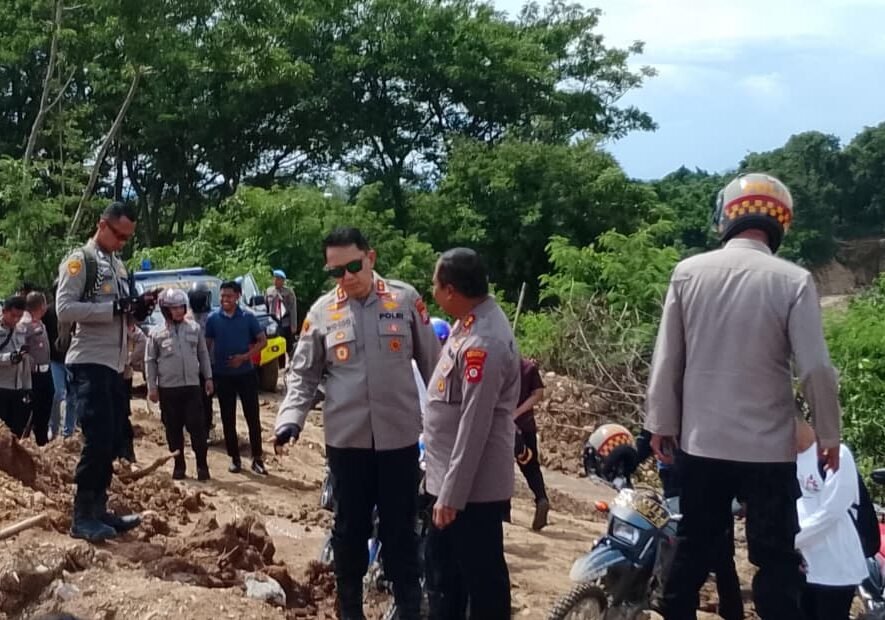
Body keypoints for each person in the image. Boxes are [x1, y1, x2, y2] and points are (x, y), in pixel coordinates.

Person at [644, 173, 842, 620]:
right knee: (775, 561)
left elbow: (668, 359)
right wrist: (829, 434)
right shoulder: (794, 280)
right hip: (768, 452)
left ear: (726, 217)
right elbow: (815, 369)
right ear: (779, 224)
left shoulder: (687, 273)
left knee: (693, 549)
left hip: (702, 443)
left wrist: (660, 424)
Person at [274, 227, 440, 620]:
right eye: (336, 272)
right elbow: (303, 376)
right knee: (349, 531)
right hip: (347, 444)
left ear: (371, 257)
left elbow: (435, 367)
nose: (346, 278)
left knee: (401, 532)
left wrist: (443, 429)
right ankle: (350, 610)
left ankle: (408, 608)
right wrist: (290, 420)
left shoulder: (404, 301)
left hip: (399, 442)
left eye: (352, 266)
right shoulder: (320, 313)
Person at [422, 248, 520, 620]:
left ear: (450, 290)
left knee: (481, 582)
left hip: (469, 492)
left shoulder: (484, 342)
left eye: (434, 283)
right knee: (446, 574)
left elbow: (474, 424)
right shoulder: (469, 324)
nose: (432, 290)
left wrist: (451, 495)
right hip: (454, 483)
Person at [56, 201, 158, 542]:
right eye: (119, 235)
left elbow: (122, 313)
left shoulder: (117, 264)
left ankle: (99, 509)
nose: (122, 243)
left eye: (128, 238)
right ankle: (82, 515)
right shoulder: (80, 261)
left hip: (116, 363)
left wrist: (137, 309)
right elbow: (64, 308)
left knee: (113, 438)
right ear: (102, 225)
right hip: (89, 360)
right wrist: (113, 307)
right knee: (97, 439)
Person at [794, 417, 867, 620]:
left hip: (836, 567)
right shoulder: (790, 460)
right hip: (804, 566)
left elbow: (832, 510)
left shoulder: (836, 454)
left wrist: (791, 539)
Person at [145, 289, 214, 481]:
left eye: (181, 307)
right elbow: (150, 361)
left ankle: (202, 465)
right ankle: (179, 465)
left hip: (192, 387)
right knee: (173, 430)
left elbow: (203, 354)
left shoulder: (194, 328)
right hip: (168, 389)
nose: (178, 311)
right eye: (174, 308)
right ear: (166, 310)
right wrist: (152, 387)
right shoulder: (155, 334)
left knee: (197, 428)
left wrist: (208, 378)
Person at [205, 280, 267, 475]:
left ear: (238, 296)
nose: (225, 300)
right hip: (223, 376)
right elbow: (206, 346)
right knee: (228, 418)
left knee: (253, 418)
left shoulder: (248, 317)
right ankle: (234, 458)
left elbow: (262, 341)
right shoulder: (213, 319)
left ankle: (257, 458)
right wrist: (207, 372)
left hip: (246, 374)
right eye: (222, 296)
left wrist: (244, 357)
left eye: (229, 296)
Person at [513, 356, 549, 531]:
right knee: (531, 466)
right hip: (526, 425)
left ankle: (503, 512)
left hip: (502, 428)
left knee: (500, 469)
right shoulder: (528, 366)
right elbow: (538, 393)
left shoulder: (498, 365)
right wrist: (519, 412)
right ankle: (541, 498)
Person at [19, 292, 54, 445]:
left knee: (45, 409)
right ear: (41, 306)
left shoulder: (39, 323)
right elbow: (20, 347)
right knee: (30, 412)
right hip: (33, 375)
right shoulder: (24, 324)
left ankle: (42, 439)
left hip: (46, 372)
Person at [188, 281, 216, 439]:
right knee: (194, 402)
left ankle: (205, 431)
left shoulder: (212, 318)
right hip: (192, 367)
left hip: (210, 365)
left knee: (206, 401)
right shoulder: (186, 318)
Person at [0, 296, 31, 438]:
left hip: (17, 388)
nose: (16, 320)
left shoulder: (21, 330)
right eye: (13, 315)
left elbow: (24, 362)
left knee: (17, 432)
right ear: (4, 311)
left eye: (19, 316)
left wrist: (27, 387)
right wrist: (9, 358)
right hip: (2, 387)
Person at [265, 269, 297, 358]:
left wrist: (293, 326)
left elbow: (293, 309)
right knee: (275, 346)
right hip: (273, 322)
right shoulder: (269, 291)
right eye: (274, 278)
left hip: (285, 322)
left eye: (278, 279)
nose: (276, 281)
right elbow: (266, 307)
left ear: (283, 281)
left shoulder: (288, 292)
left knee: (288, 346)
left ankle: (290, 363)